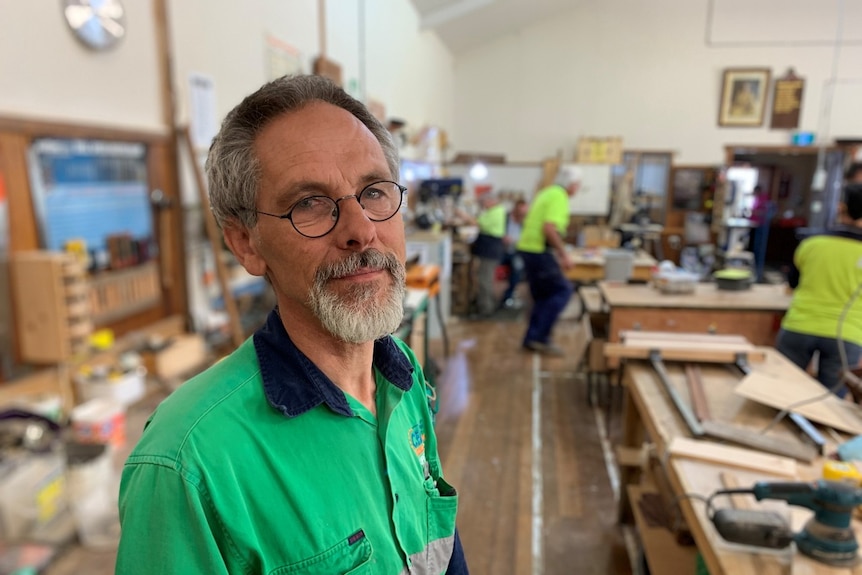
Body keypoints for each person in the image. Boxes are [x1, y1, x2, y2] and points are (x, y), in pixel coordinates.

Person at [116, 75, 468, 574]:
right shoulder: (187, 464)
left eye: (374, 191)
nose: (362, 230)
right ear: (246, 244)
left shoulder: (402, 376)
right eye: (309, 203)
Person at [776, 183, 862, 398]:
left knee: (781, 394)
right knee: (831, 405)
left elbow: (793, 283)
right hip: (846, 335)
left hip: (799, 326)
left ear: (841, 208)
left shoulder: (811, 242)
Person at [516, 167, 580, 356]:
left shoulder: (547, 192)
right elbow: (549, 228)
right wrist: (564, 255)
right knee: (562, 291)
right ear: (572, 185)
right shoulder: (559, 196)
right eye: (577, 185)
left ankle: (533, 337)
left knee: (543, 296)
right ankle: (539, 337)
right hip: (537, 251)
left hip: (528, 249)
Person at [470, 192, 507, 316]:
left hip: (490, 249)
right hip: (490, 249)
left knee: (484, 279)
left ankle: (486, 309)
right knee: (486, 278)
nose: (483, 204)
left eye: (484, 202)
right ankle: (488, 304)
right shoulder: (495, 211)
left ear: (491, 201)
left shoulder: (496, 211)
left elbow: (478, 223)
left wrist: (464, 216)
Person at [499, 198, 529, 309]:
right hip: (500, 250)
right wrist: (502, 237)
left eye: (524, 213)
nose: (522, 215)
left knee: (518, 267)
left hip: (516, 252)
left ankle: (508, 296)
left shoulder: (525, 223)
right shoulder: (504, 218)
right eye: (520, 212)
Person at [749, 185, 774, 282]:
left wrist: (756, 213)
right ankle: (755, 269)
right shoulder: (757, 199)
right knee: (754, 249)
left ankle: (758, 272)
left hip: (762, 227)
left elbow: (766, 213)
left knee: (759, 249)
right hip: (756, 225)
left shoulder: (765, 200)